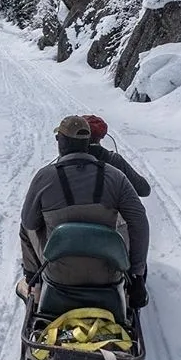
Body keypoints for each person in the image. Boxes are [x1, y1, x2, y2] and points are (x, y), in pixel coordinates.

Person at [18, 115, 149, 308]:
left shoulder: (44, 177)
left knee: (25, 227)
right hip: (108, 273)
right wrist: (136, 275)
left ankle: (33, 284)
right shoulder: (115, 176)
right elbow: (139, 222)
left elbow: (30, 222)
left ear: (60, 142)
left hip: (59, 274)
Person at [83, 115, 151, 198]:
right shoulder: (114, 160)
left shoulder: (64, 160)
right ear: (99, 138)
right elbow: (144, 190)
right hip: (108, 209)